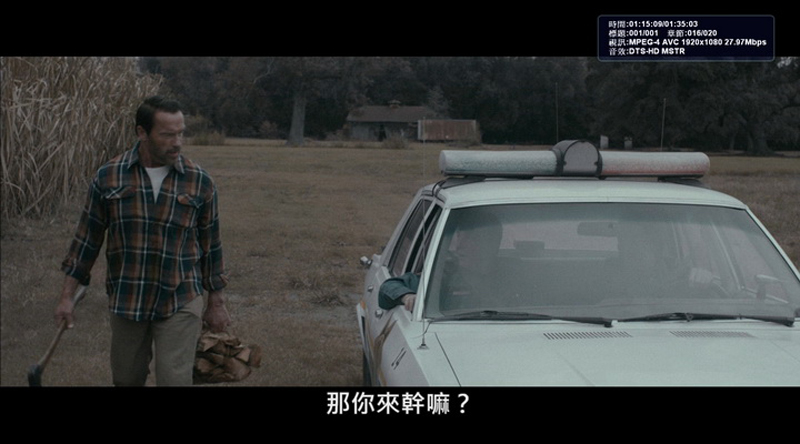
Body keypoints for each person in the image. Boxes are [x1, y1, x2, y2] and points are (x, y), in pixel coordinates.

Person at [55, 96, 230, 386]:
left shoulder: (199, 181)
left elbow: (212, 246)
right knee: (126, 379)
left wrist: (217, 302)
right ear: (142, 133)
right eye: (167, 135)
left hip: (180, 297)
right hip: (128, 299)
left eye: (181, 133)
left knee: (175, 380)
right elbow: (86, 242)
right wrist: (66, 298)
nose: (177, 143)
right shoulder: (109, 177)